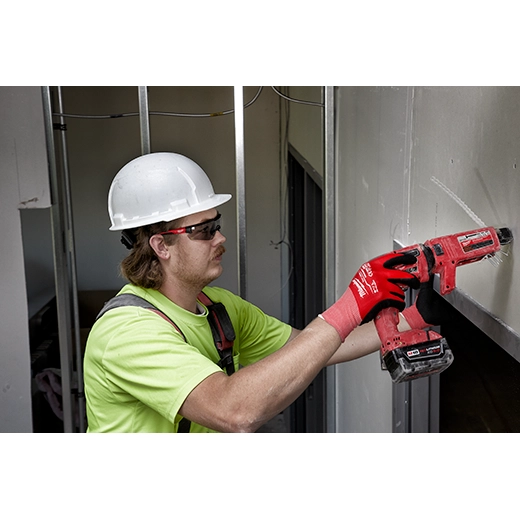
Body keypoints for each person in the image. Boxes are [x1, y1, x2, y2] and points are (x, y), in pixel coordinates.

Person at [83, 152, 435, 433]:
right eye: (204, 230)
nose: (220, 238)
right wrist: (352, 303)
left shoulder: (219, 309)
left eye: (217, 224)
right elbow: (234, 411)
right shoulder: (127, 333)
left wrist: (415, 317)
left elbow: (314, 348)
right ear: (162, 245)